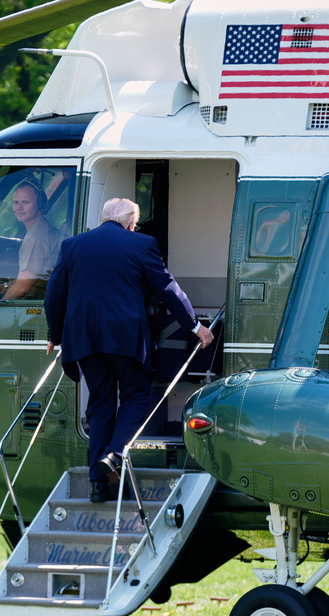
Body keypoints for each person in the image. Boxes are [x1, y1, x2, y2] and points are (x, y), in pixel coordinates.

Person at [44, 198, 213, 502]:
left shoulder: (73, 245)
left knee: (100, 404)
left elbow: (54, 295)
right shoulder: (141, 244)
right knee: (136, 394)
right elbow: (167, 287)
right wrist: (195, 326)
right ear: (129, 222)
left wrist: (55, 336)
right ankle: (115, 453)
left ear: (103, 218)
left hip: (84, 338)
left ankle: (98, 485)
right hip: (124, 336)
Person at [2, 180, 64, 300]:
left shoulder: (35, 238)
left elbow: (23, 286)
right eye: (16, 202)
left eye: (25, 202)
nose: (19, 207)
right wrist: (1, 287)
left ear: (39, 205)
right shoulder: (41, 228)